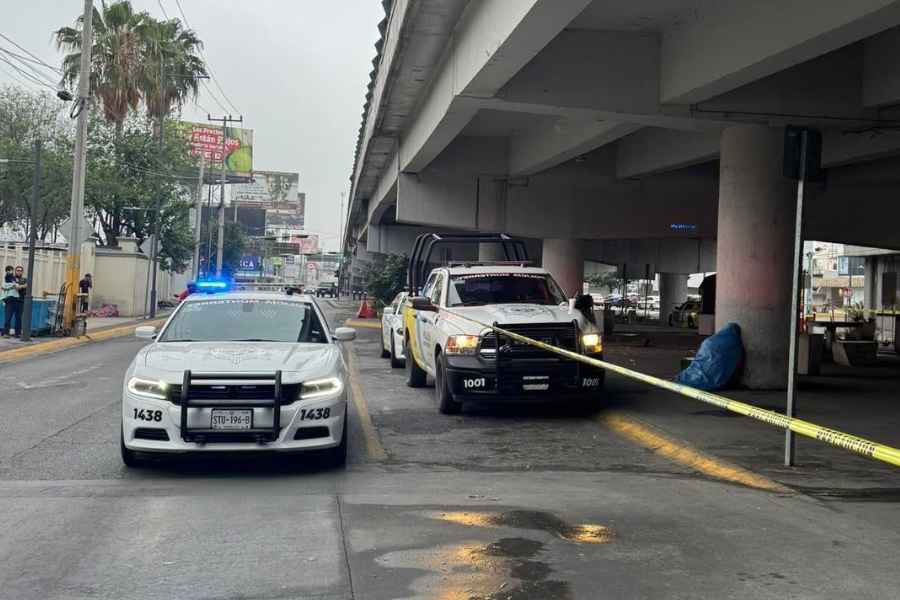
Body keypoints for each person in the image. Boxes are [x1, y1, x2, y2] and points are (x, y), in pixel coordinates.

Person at [2, 266, 24, 337]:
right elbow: (3, 286)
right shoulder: (10, 277)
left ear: (22, 272)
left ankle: (17, 333)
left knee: (18, 318)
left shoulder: (24, 279)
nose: (19, 271)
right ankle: (6, 333)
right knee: (8, 317)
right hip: (10, 300)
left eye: (20, 270)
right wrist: (13, 286)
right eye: (17, 270)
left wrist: (20, 286)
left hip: (20, 301)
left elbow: (27, 285)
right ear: (15, 271)